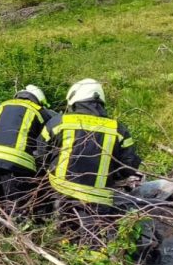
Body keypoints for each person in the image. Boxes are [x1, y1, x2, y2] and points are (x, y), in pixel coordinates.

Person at [38, 78, 141, 248]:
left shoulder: (59, 123)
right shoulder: (118, 129)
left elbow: (40, 153)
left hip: (61, 192)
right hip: (99, 200)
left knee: (61, 240)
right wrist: (112, 176)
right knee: (93, 245)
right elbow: (129, 166)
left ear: (74, 98)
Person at [0, 85, 55, 217]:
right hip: (14, 160)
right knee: (17, 203)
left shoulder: (3, 105)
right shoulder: (39, 111)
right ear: (39, 100)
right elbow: (44, 142)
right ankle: (16, 229)